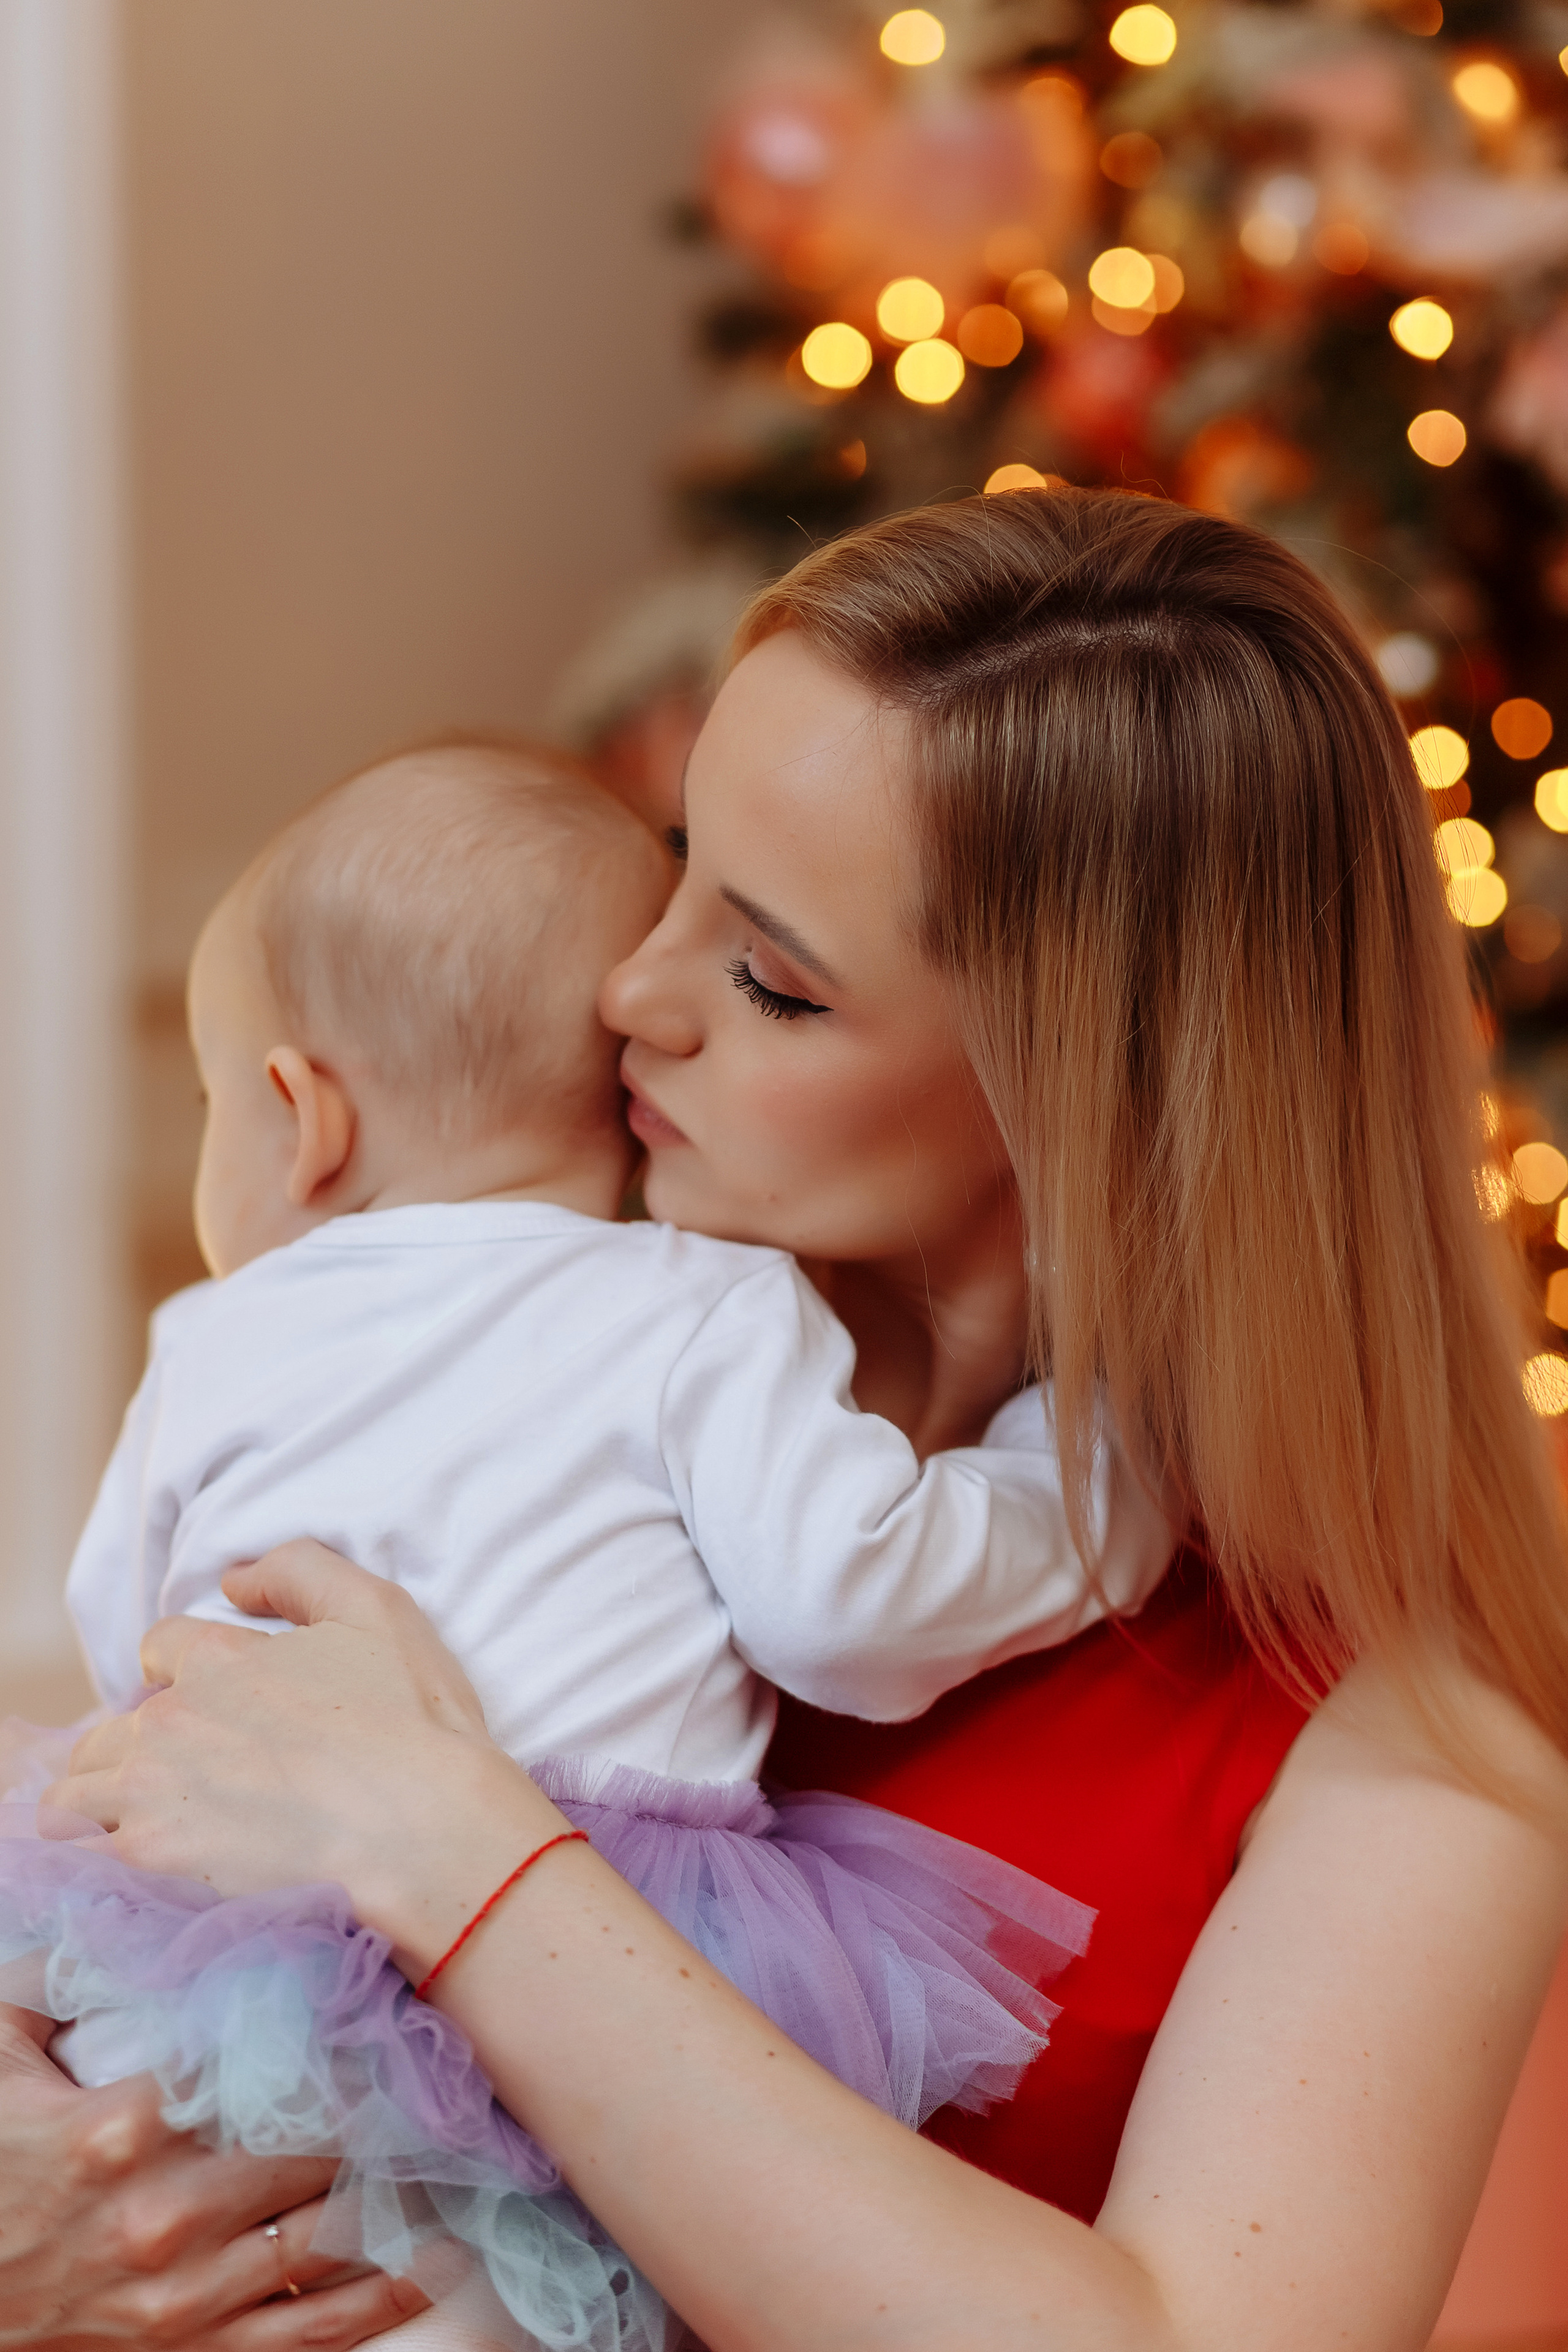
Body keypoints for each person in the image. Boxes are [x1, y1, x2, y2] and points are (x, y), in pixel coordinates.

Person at [12, 484, 1568, 2351]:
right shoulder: (520, 1334)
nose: (632, 990)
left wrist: (459, 1854)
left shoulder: (1409, 1727)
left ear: (1088, 1102)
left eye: (769, 977)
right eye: (671, 866)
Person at [0, 735, 1170, 2349]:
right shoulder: (700, 1308)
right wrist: (1083, 1479)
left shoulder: (215, 1331)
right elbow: (849, 1604)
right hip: (593, 1997)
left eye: (767, 965)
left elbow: (131, 1628)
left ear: (299, 1115)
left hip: (226, 1965)